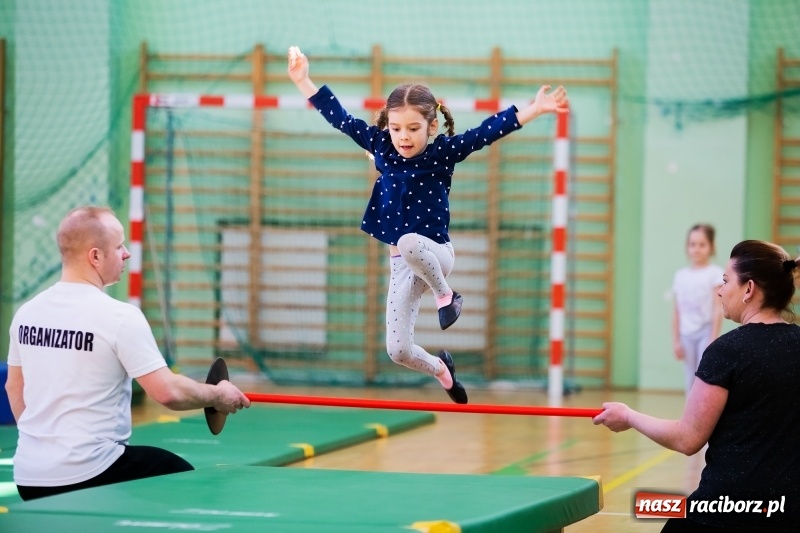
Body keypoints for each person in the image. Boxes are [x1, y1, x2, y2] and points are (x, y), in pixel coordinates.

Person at [287, 46, 568, 404]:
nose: (403, 136)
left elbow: (486, 132)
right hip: (402, 267)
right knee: (398, 350)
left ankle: (446, 295)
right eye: (396, 128)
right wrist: (303, 80)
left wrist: (533, 109)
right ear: (386, 125)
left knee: (408, 241)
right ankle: (441, 369)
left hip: (436, 254)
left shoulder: (441, 152)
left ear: (432, 126)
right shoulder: (381, 146)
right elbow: (337, 116)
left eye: (414, 129)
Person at [4, 206, 251, 501]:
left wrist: (47, 447)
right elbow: (167, 393)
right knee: (187, 482)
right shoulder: (119, 317)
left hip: (30, 477)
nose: (126, 254)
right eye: (119, 246)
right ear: (95, 256)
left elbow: (13, 387)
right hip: (92, 472)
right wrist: (218, 395)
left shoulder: (27, 314)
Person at [594, 240, 800, 531]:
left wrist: (628, 416)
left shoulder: (726, 351)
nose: (719, 289)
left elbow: (688, 439)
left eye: (726, 281)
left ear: (749, 289)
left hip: (727, 510)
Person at [671, 223, 723, 395]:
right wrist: (676, 340)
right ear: (687, 247)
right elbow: (677, 311)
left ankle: (703, 413)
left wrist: (712, 337)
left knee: (704, 375)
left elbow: (717, 308)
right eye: (692, 244)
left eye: (702, 245)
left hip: (705, 332)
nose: (696, 249)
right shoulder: (681, 275)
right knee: (690, 376)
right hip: (686, 334)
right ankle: (690, 415)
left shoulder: (715, 273)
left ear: (711, 247)